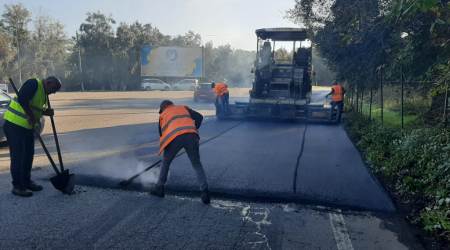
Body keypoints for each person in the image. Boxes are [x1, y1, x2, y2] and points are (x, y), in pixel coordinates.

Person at [3, 77, 61, 197]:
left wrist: (46, 112)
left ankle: (26, 181)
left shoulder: (44, 93)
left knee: (28, 155)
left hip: (27, 127)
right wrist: (31, 116)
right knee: (18, 157)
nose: (53, 92)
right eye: (54, 89)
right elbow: (22, 99)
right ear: (48, 82)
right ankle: (17, 187)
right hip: (14, 125)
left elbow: (34, 106)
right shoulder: (33, 83)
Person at [150, 100, 210, 204]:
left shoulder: (163, 115)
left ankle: (159, 188)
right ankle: (205, 192)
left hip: (174, 138)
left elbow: (161, 134)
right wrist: (194, 129)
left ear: (163, 108)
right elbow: (199, 117)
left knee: (166, 162)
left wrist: (168, 152)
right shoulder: (183, 108)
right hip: (192, 135)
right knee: (196, 164)